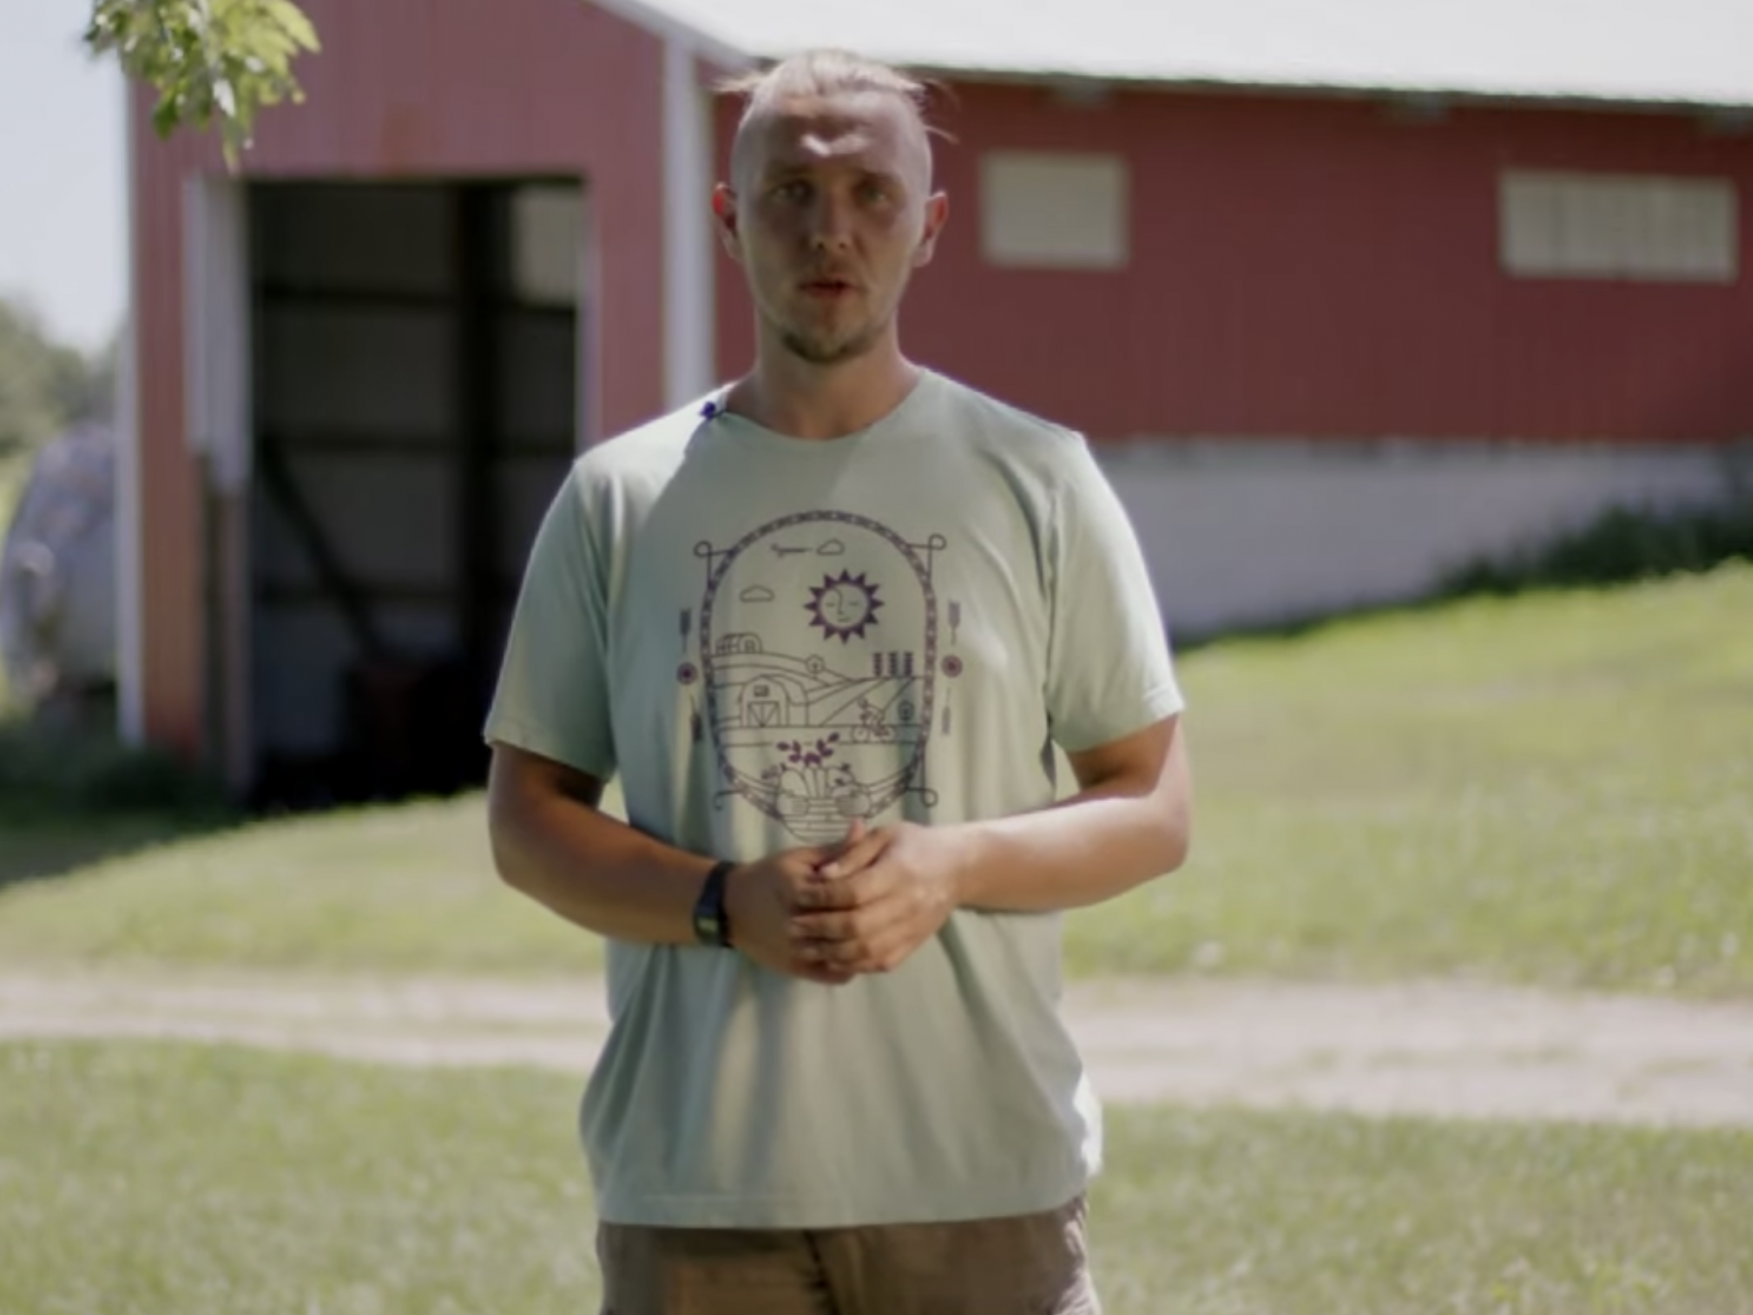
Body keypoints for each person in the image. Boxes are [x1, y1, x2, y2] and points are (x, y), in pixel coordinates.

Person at [484, 46, 1193, 1315]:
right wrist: (719, 902)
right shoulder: (618, 497)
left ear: (926, 229)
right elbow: (527, 821)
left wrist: (953, 864)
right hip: (699, 1193)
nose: (831, 229)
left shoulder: (1037, 477)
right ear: (727, 218)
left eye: (870, 194)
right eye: (790, 193)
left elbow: (1151, 806)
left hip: (982, 1181)